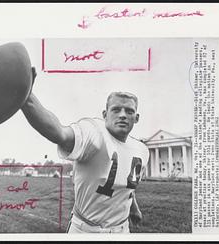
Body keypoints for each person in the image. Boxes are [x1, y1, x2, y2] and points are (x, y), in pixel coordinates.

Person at [21, 68, 149, 233]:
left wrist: (133, 208)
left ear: (136, 118)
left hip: (122, 229)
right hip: (85, 229)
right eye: (116, 110)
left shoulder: (142, 150)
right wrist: (27, 99)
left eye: (129, 111)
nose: (123, 115)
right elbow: (59, 133)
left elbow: (128, 183)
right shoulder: (94, 133)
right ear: (105, 114)